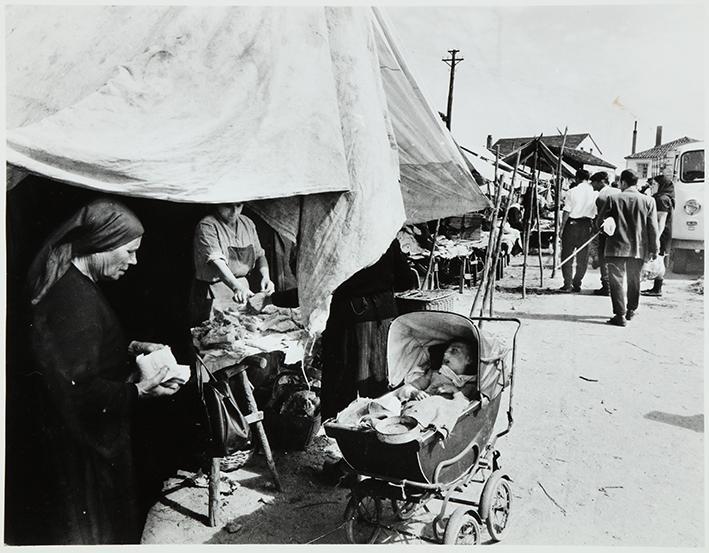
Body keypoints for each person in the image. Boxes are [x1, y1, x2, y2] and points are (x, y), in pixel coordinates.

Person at [27, 198, 180, 544]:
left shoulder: (76, 285)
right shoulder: (74, 301)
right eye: (129, 251)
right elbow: (78, 391)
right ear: (100, 245)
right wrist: (140, 391)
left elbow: (80, 356)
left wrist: (131, 348)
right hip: (85, 451)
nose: (135, 261)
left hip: (90, 440)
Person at [190, 202, 275, 326]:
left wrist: (266, 277)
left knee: (243, 334)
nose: (234, 212)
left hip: (243, 291)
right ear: (217, 204)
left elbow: (260, 255)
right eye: (228, 206)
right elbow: (217, 262)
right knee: (215, 335)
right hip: (214, 294)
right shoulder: (207, 225)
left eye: (239, 206)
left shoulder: (247, 223)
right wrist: (236, 287)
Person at [597, 169, 660, 326]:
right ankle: (631, 310)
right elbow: (653, 228)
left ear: (623, 182)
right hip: (638, 248)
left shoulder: (613, 199)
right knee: (634, 279)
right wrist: (655, 249)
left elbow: (599, 223)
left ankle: (620, 315)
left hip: (616, 247)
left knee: (616, 280)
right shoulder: (649, 201)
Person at [396, 340, 477, 402]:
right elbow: (410, 386)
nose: (445, 354)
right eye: (446, 351)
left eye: (454, 351)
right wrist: (415, 393)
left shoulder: (470, 384)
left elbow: (464, 405)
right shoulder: (435, 373)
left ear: (468, 359)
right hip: (422, 406)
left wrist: (454, 390)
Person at [559, 169, 598, 292]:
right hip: (587, 226)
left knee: (567, 255)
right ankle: (577, 283)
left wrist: (562, 228)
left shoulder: (572, 191)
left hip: (572, 225)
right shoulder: (594, 193)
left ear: (576, 179)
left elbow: (567, 211)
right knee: (583, 257)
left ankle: (567, 284)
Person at [641, 173, 675, 297]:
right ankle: (657, 288)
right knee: (660, 259)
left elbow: (661, 220)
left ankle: (657, 288)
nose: (652, 186)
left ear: (661, 185)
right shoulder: (665, 197)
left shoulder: (661, 199)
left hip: (661, 233)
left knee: (658, 258)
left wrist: (656, 238)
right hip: (664, 233)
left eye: (655, 184)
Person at [591, 171, 621, 296]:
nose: (592, 185)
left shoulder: (602, 196)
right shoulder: (619, 192)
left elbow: (600, 217)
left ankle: (606, 286)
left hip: (606, 232)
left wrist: (596, 228)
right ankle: (615, 287)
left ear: (601, 182)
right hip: (620, 232)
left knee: (604, 258)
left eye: (593, 182)